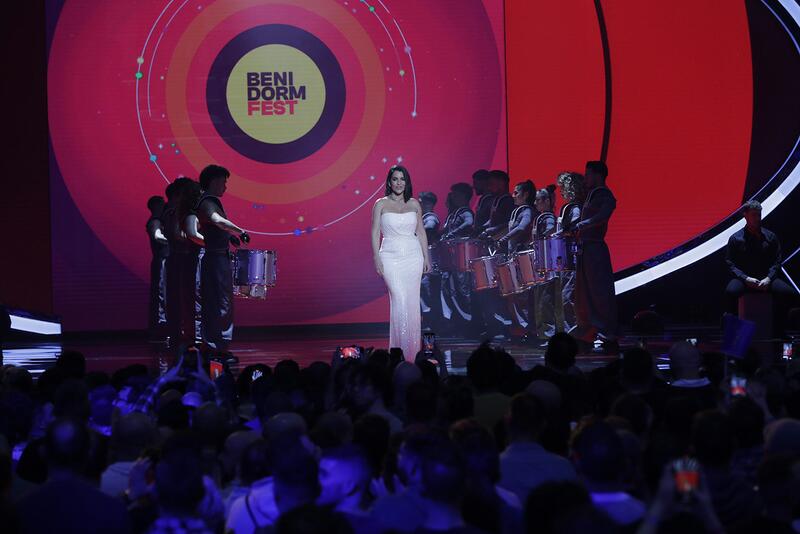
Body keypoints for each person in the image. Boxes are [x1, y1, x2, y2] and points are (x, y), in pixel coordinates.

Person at [371, 165, 431, 361]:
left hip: (413, 256)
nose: (399, 183)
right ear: (389, 182)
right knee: (399, 299)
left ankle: (412, 354)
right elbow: (374, 232)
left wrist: (426, 257)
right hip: (390, 256)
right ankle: (399, 354)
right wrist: (376, 258)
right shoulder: (380, 204)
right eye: (395, 179)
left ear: (407, 182)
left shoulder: (414, 204)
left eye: (402, 179)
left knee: (412, 303)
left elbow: (420, 232)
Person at [196, 165, 250, 353]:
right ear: (213, 181)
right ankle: (217, 347)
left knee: (219, 301)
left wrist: (229, 236)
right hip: (215, 259)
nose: (225, 187)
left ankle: (217, 345)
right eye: (223, 182)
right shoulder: (208, 201)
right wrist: (240, 231)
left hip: (218, 257)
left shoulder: (208, 201)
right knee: (220, 302)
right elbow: (217, 220)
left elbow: (216, 226)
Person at [725, 200, 797, 335]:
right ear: (745, 216)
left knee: (790, 294)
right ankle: (734, 333)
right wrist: (745, 278)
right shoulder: (735, 238)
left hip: (766, 279)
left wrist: (769, 278)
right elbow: (730, 264)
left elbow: (777, 261)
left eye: (759, 214)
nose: (757, 218)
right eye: (754, 215)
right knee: (731, 292)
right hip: (744, 279)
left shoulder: (770, 237)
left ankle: (779, 330)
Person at [572, 160, 619, 353]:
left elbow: (603, 215)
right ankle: (591, 331)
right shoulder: (590, 194)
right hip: (585, 247)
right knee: (585, 292)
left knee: (599, 291)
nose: (586, 178)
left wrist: (582, 224)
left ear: (597, 175)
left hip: (595, 248)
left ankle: (607, 333)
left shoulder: (605, 194)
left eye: (588, 174)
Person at [556, 172, 585, 334]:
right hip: (565, 257)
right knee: (564, 296)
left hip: (572, 257)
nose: (561, 192)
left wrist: (559, 234)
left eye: (563, 188)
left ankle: (574, 332)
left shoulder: (575, 208)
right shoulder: (569, 208)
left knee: (568, 297)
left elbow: (574, 227)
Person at [528, 186, 559, 343]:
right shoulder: (540, 217)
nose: (535, 203)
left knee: (545, 300)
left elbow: (550, 231)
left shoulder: (548, 217)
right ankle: (544, 333)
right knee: (540, 300)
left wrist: (539, 243)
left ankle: (548, 335)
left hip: (547, 263)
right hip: (541, 262)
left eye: (538, 200)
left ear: (547, 201)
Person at [146, 195, 169, 339]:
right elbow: (157, 236)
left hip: (165, 260)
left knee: (165, 294)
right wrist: (173, 240)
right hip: (161, 261)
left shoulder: (160, 221)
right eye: (161, 204)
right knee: (161, 294)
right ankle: (160, 329)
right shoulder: (155, 221)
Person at [419, 192, 441, 331]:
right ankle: (427, 321)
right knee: (423, 290)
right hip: (423, 261)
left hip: (429, 261)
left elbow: (430, 227)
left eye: (420, 202)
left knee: (426, 289)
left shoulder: (430, 217)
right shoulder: (422, 218)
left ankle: (430, 323)